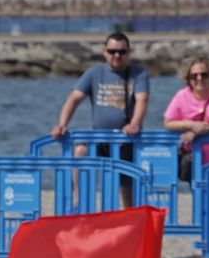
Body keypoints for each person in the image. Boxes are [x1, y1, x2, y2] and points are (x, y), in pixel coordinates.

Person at [52, 32, 150, 207]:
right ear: (105, 52)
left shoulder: (138, 73)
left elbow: (142, 99)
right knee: (80, 151)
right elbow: (73, 99)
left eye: (122, 52)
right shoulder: (94, 73)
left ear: (129, 52)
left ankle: (130, 217)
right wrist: (62, 124)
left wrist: (134, 123)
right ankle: (78, 201)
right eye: (112, 51)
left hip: (125, 140)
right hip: (100, 139)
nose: (117, 56)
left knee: (127, 187)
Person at [163, 55, 209, 211]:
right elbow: (168, 122)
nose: (199, 78)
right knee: (203, 205)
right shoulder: (182, 95)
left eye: (204, 74)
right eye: (194, 75)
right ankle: (208, 234)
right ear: (188, 78)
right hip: (197, 162)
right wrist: (191, 125)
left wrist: (204, 129)